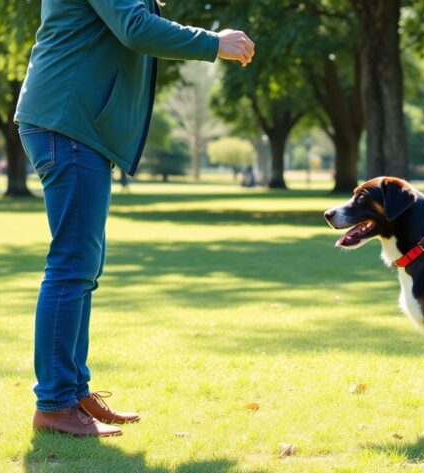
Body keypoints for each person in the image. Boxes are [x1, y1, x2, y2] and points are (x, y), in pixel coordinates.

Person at [14, 0, 254, 437]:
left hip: (73, 124)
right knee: (72, 265)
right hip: (67, 123)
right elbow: (134, 27)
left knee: (83, 266)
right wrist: (213, 42)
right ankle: (53, 403)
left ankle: (71, 391)